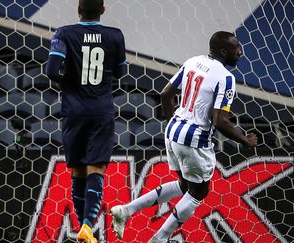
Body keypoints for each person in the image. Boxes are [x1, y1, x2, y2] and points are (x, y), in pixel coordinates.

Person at [110, 31, 258, 242]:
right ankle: (160, 238)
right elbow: (220, 121)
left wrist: (174, 124)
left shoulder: (193, 62)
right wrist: (245, 140)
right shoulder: (226, 78)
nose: (240, 52)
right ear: (224, 51)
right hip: (194, 139)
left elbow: (165, 94)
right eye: (237, 48)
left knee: (184, 186)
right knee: (199, 193)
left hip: (173, 132)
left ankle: (125, 211)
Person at [46, 0, 126, 242]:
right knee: (96, 170)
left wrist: (70, 83)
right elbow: (121, 72)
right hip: (101, 109)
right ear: (103, 10)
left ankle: (83, 229)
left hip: (73, 110)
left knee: (77, 171)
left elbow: (51, 71)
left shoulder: (64, 33)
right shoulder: (115, 36)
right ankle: (88, 227)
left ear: (78, 9)